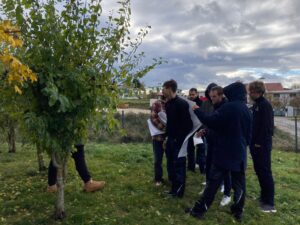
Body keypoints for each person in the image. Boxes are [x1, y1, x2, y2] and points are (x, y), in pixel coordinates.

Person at [186, 82, 252, 221]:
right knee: (240, 185)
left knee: (212, 183)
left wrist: (197, 109)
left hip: (224, 153)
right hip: (239, 153)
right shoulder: (246, 109)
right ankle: (237, 212)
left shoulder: (229, 107)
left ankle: (198, 211)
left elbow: (210, 121)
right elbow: (247, 133)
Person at [197, 86, 231, 206]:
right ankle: (208, 188)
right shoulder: (214, 106)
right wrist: (205, 131)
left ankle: (227, 194)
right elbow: (212, 123)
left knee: (225, 170)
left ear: (221, 95)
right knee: (209, 165)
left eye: (214, 97)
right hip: (211, 141)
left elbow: (219, 124)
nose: (212, 99)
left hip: (223, 145)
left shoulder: (226, 108)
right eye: (210, 97)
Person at [248, 81, 276, 213]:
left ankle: (269, 203)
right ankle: (264, 197)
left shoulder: (265, 106)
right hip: (255, 144)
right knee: (259, 171)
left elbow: (267, 127)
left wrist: (259, 143)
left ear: (257, 91)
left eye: (251, 91)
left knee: (265, 172)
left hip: (262, 145)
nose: (249, 94)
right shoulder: (256, 105)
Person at [162, 79, 193, 198]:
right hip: (170, 140)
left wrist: (177, 139)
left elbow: (188, 125)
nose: (162, 91)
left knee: (179, 166)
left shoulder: (182, 104)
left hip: (178, 142)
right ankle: (173, 189)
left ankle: (179, 192)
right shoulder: (168, 104)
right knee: (171, 166)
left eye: (163, 89)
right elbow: (170, 123)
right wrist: (166, 138)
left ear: (169, 88)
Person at [150, 94, 167, 187]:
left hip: (169, 138)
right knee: (158, 159)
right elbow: (153, 118)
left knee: (171, 159)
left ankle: (172, 178)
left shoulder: (172, 103)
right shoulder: (156, 104)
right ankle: (158, 179)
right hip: (158, 137)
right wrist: (165, 129)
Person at [187, 88, 203, 172]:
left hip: (199, 129)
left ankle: (200, 165)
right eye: (190, 94)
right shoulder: (188, 103)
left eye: (193, 94)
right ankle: (191, 166)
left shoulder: (201, 103)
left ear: (197, 94)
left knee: (200, 148)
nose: (191, 96)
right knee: (190, 148)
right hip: (190, 128)